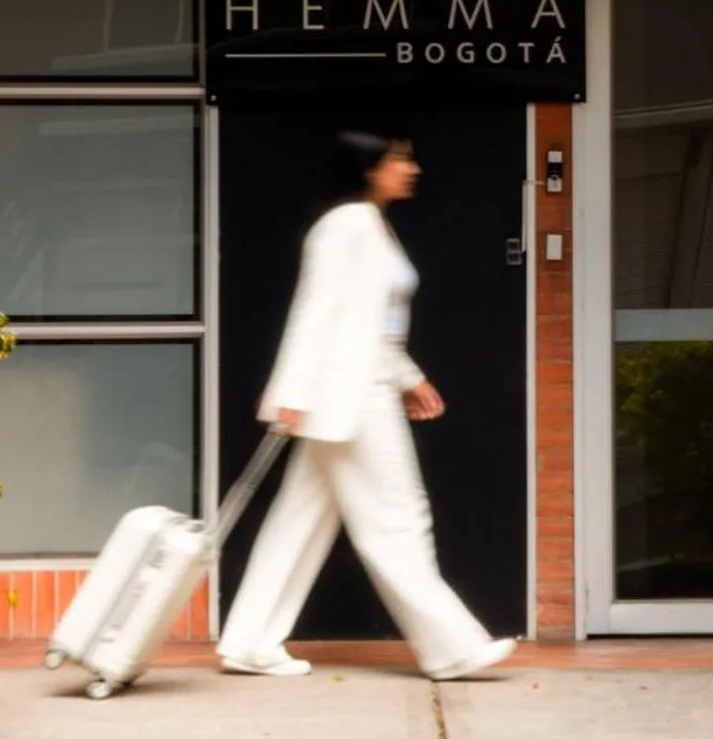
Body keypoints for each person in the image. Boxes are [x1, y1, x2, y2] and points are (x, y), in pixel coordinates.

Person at [215, 131, 517, 682]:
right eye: (398, 159)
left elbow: (370, 326)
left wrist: (409, 376)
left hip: (357, 393)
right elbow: (316, 311)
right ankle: (452, 647)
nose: (411, 168)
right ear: (368, 169)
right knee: (398, 520)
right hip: (351, 400)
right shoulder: (347, 226)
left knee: (297, 524)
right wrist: (292, 393)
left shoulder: (370, 226)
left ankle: (251, 641)